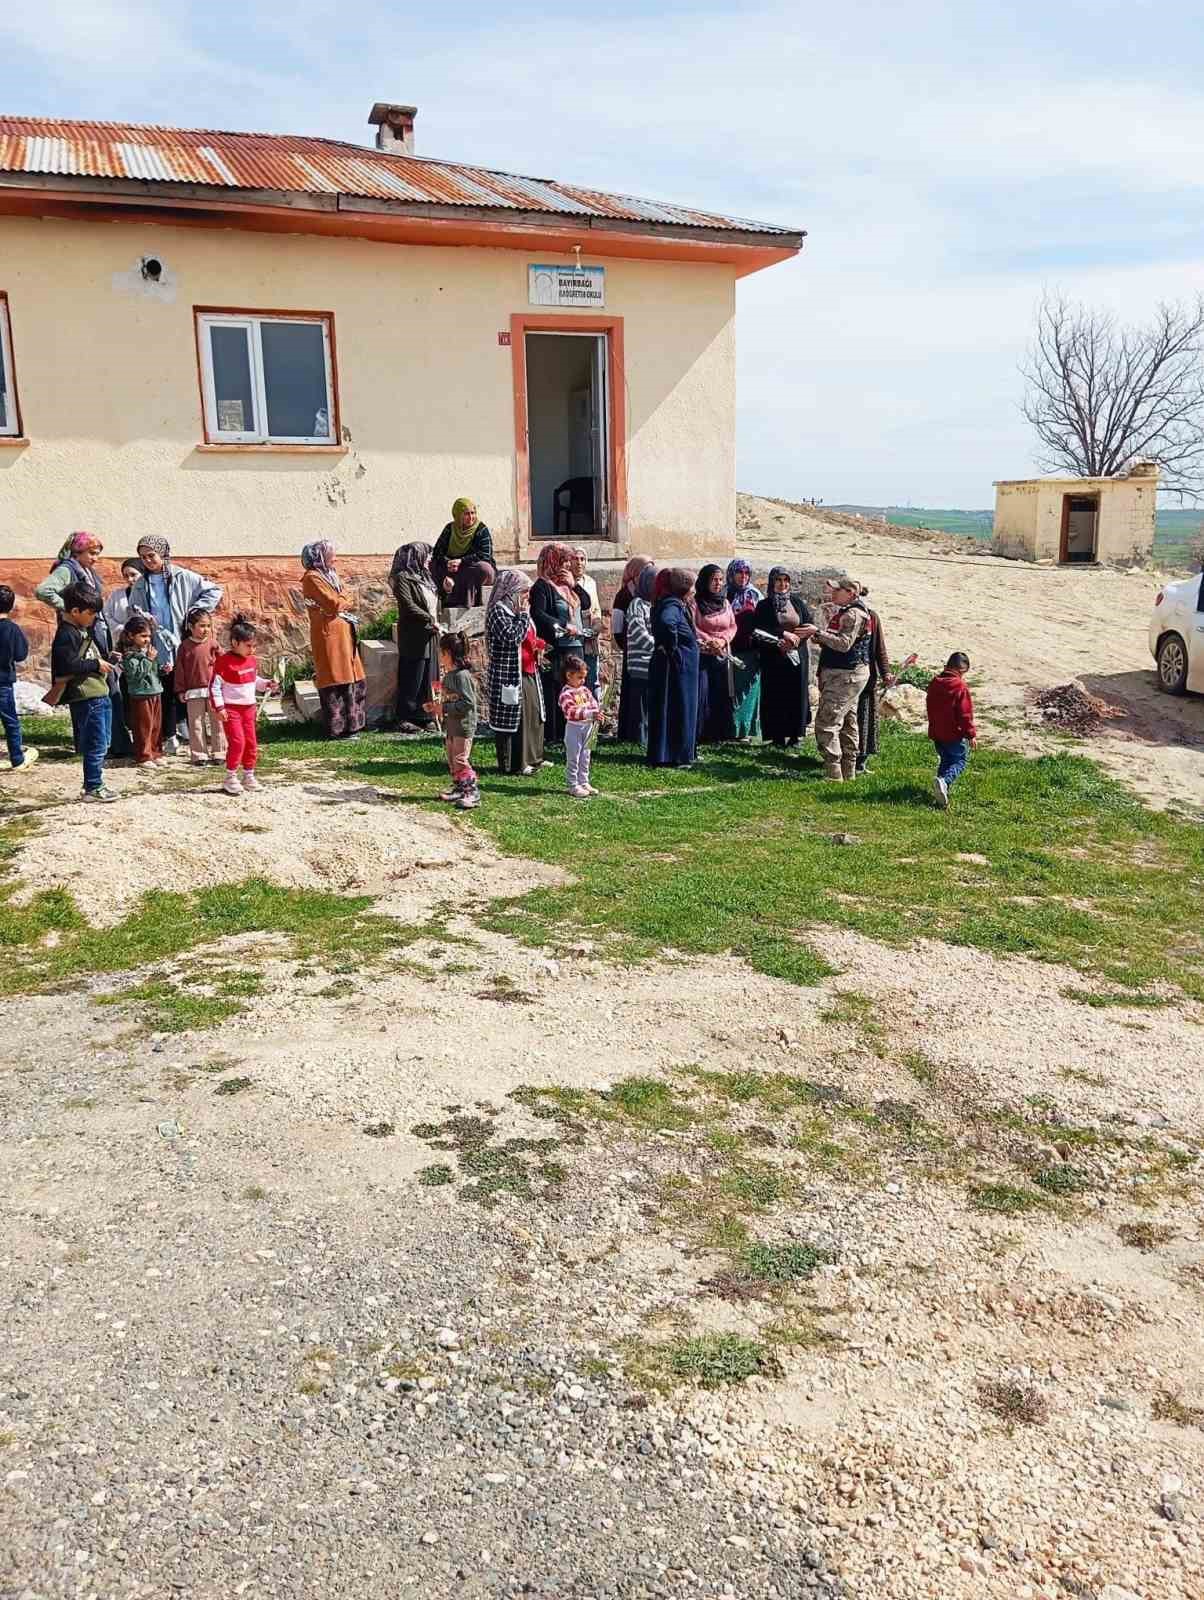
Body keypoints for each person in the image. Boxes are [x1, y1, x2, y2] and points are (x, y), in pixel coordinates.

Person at [35, 531, 133, 761]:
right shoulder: (67, 569)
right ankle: (106, 744)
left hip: (93, 631)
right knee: (94, 685)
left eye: (98, 553)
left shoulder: (86, 571)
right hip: (82, 635)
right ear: (77, 551)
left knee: (99, 684)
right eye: (92, 552)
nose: (96, 558)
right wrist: (70, 608)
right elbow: (43, 591)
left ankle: (102, 742)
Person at [129, 537, 222, 755]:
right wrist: (142, 618)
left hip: (181, 640)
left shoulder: (183, 576)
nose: (148, 561)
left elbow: (214, 591)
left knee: (184, 685)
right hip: (156, 642)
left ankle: (190, 731)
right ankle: (168, 734)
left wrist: (193, 612)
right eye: (143, 557)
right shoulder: (142, 583)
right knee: (163, 687)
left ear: (163, 554)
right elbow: (133, 608)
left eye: (152, 555)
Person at [50, 581, 117, 802]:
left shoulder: (81, 630)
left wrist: (106, 660)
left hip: (99, 693)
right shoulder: (66, 634)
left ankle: (95, 783)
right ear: (75, 611)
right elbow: (66, 666)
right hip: (87, 697)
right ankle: (93, 787)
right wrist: (96, 665)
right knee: (95, 743)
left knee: (103, 741)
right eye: (91, 613)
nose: (95, 618)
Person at [804, 575, 871, 781]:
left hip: (845, 675)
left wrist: (818, 632)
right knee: (848, 721)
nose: (832, 593)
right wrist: (821, 636)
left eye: (837, 590)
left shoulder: (852, 615)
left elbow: (844, 644)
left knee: (827, 722)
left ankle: (833, 773)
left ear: (850, 593)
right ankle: (848, 772)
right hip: (848, 674)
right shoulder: (849, 612)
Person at [301, 541, 366, 740]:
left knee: (351, 675)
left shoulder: (332, 575)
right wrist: (341, 603)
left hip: (344, 632)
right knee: (335, 676)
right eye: (331, 554)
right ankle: (337, 729)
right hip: (328, 634)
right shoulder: (312, 578)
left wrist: (341, 602)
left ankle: (354, 726)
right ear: (319, 556)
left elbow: (346, 599)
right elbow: (333, 603)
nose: (335, 558)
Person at [530, 542, 591, 746]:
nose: (567, 565)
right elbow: (538, 614)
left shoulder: (568, 585)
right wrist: (563, 624)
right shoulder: (542, 586)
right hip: (557, 649)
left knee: (575, 691)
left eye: (568, 561)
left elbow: (587, 603)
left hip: (575, 647)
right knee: (556, 691)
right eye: (563, 560)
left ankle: (574, 731)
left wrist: (574, 584)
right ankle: (554, 735)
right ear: (552, 561)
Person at [486, 569, 546, 776]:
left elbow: (528, 636)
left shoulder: (522, 612)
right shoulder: (498, 612)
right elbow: (512, 637)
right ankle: (513, 764)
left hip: (528, 671)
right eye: (523, 591)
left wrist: (538, 646)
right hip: (508, 675)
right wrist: (522, 616)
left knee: (532, 715)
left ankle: (533, 757)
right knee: (513, 720)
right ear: (511, 591)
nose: (527, 596)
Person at [211, 615, 276, 797]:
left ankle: (249, 775)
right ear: (234, 642)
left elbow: (253, 680)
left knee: (251, 743)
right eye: (248, 646)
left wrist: (266, 684)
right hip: (231, 710)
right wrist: (220, 708)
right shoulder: (224, 662)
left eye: (254, 646)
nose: (252, 649)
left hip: (249, 709)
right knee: (237, 742)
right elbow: (215, 686)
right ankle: (230, 777)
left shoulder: (252, 661)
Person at [751, 568, 814, 749]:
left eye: (786, 580)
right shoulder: (764, 605)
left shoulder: (796, 602)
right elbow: (759, 629)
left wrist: (795, 641)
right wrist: (782, 635)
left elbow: (808, 625)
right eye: (778, 580)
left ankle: (796, 736)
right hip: (773, 657)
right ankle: (776, 736)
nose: (782, 584)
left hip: (797, 655)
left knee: (797, 695)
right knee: (775, 695)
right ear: (772, 582)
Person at [646, 569, 700, 769]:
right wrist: (673, 647)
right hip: (676, 668)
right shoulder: (672, 605)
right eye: (691, 587)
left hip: (678, 667)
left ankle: (675, 753)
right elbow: (668, 623)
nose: (694, 591)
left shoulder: (675, 604)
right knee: (678, 709)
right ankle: (675, 755)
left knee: (676, 708)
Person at [389, 541, 440, 732]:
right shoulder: (402, 578)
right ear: (416, 556)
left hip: (430, 633)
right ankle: (405, 717)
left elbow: (433, 600)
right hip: (414, 634)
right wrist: (429, 618)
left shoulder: (425, 577)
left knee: (429, 675)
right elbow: (408, 605)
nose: (429, 559)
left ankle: (425, 715)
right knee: (414, 675)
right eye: (426, 555)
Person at [429, 631, 480, 810]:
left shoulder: (462, 676)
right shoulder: (450, 675)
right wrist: (436, 705)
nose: (439, 657)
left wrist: (444, 708)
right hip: (452, 726)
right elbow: (452, 698)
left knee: (460, 759)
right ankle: (460, 789)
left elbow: (467, 702)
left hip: (463, 726)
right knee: (452, 759)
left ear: (448, 654)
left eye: (441, 653)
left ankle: (471, 792)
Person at [174, 607, 225, 765]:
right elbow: (180, 670)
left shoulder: (213, 645)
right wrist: (180, 689)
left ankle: (219, 752)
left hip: (213, 691)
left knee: (218, 722)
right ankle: (199, 754)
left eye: (208, 626)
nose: (206, 630)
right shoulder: (184, 647)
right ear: (191, 627)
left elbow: (224, 664)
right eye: (202, 626)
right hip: (193, 692)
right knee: (196, 724)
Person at [926, 652, 977, 810]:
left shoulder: (935, 682)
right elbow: (965, 715)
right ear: (960, 670)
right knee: (959, 761)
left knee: (945, 760)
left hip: (937, 733)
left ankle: (940, 790)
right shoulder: (959, 687)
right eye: (963, 673)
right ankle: (944, 782)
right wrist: (971, 734)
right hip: (954, 734)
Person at [693, 564, 738, 743]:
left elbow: (733, 625)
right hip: (704, 654)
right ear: (705, 581)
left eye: (720, 580)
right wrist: (710, 641)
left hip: (722, 654)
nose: (718, 584)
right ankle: (703, 733)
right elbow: (693, 626)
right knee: (705, 693)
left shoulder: (725, 602)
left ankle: (720, 733)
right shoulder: (696, 603)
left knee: (721, 693)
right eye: (714, 580)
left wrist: (722, 641)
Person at [612, 553, 653, 742]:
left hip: (643, 652)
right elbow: (617, 626)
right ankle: (630, 732)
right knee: (632, 695)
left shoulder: (649, 596)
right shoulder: (624, 595)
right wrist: (627, 646)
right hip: (633, 649)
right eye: (644, 570)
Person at [854, 588, 893, 776]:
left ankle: (861, 760)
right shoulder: (841, 615)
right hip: (845, 678)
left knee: (865, 718)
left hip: (866, 679)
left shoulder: (872, 618)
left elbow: (880, 649)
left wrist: (886, 673)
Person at [118, 617, 164, 770]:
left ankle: (155, 753)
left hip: (155, 692)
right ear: (131, 636)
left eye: (149, 636)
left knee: (156, 727)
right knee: (143, 727)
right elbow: (136, 675)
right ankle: (143, 756)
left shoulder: (147, 652)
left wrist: (162, 669)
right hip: (141, 695)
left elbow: (152, 671)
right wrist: (148, 660)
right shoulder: (129, 656)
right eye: (143, 636)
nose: (147, 640)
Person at [432, 498, 496, 607]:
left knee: (483, 568)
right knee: (432, 565)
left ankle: (466, 602)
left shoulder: (481, 529)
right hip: (452, 568)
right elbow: (437, 552)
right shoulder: (449, 529)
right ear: (457, 515)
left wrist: (462, 561)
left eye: (473, 513)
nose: (471, 517)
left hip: (471, 566)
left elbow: (485, 555)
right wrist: (447, 562)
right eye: (466, 514)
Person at [0, 586, 37, 773]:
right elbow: (21, 654)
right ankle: (16, 758)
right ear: (11, 606)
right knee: (10, 721)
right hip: (3, 682)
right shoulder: (12, 629)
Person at [725, 559, 763, 741]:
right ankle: (729, 728)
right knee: (730, 690)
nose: (743, 576)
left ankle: (745, 730)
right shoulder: (723, 593)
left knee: (748, 691)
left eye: (746, 573)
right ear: (731, 574)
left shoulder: (755, 595)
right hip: (728, 648)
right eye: (739, 572)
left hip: (750, 650)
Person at [623, 563, 658, 749]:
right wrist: (659, 647)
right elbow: (639, 633)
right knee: (640, 706)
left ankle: (648, 738)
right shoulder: (636, 604)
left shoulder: (655, 604)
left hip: (653, 664)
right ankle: (638, 739)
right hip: (640, 663)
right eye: (653, 581)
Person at [559, 655, 601, 798]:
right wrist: (590, 714)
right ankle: (572, 784)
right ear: (569, 675)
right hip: (574, 729)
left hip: (587, 728)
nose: (583, 680)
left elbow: (593, 703)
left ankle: (584, 781)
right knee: (574, 757)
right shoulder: (566, 694)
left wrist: (596, 712)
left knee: (586, 756)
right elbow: (571, 712)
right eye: (580, 677)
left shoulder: (585, 690)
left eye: (584, 677)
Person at [570, 548, 602, 692]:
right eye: (575, 559)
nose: (579, 563)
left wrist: (597, 625)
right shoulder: (566, 582)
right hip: (574, 635)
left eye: (582, 559)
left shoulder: (590, 582)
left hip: (590, 637)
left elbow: (596, 608)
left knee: (592, 680)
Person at [102, 558, 144, 641]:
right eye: (126, 576)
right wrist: (122, 629)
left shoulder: (149, 595)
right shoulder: (117, 595)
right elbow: (106, 616)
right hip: (122, 641)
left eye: (133, 575)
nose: (129, 579)